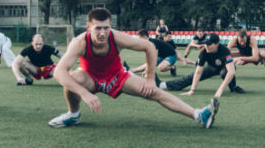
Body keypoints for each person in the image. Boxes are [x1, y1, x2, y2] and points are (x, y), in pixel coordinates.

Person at [48, 8, 219, 129]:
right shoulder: (79, 43)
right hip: (90, 78)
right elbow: (59, 72)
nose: (102, 33)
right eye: (98, 28)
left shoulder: (117, 37)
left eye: (106, 28)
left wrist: (151, 79)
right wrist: (84, 94)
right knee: (73, 79)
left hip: (117, 77)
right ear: (88, 28)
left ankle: (199, 115)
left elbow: (150, 47)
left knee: (156, 92)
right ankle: (73, 114)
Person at [158, 33, 246, 96]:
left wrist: (220, 90)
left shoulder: (225, 51)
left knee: (225, 73)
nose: (206, 46)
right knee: (190, 77)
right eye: (206, 44)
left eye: (209, 44)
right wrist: (192, 90)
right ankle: (164, 85)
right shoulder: (204, 51)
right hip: (211, 67)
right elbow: (198, 72)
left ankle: (233, 87)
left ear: (217, 44)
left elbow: (231, 72)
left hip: (225, 68)